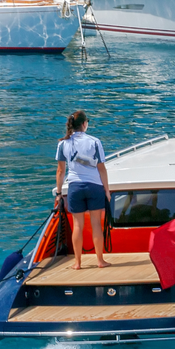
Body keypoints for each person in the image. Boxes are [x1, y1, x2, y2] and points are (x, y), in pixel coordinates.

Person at [53, 111, 110, 270]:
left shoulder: (63, 144)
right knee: (96, 224)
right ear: (84, 124)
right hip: (94, 186)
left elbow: (60, 171)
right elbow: (102, 169)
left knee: (78, 225)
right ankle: (100, 261)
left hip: (75, 187)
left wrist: (59, 194)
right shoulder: (95, 142)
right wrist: (107, 190)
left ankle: (77, 263)